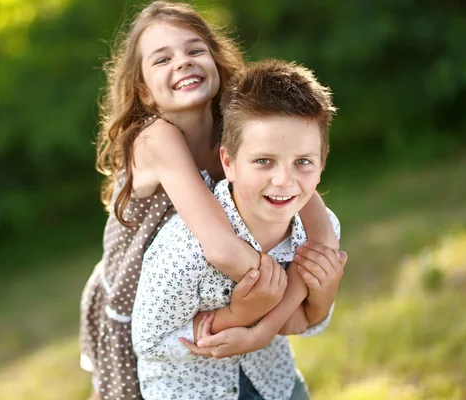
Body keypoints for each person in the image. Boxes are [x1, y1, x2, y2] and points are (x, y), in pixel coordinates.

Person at [79, 2, 339, 399]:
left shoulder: (236, 126)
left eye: (194, 50)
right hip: (143, 301)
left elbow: (320, 233)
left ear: (216, 62)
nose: (182, 62)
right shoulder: (155, 138)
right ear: (144, 90)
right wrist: (273, 314)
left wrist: (297, 291)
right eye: (163, 58)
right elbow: (221, 249)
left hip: (208, 287)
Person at [132, 59, 347, 400]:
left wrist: (324, 295)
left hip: (272, 383)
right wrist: (232, 319)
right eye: (264, 161)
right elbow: (148, 341)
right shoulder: (187, 248)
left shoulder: (317, 231)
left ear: (321, 165)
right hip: (193, 390)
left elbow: (303, 323)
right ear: (228, 163)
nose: (284, 180)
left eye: (302, 162)